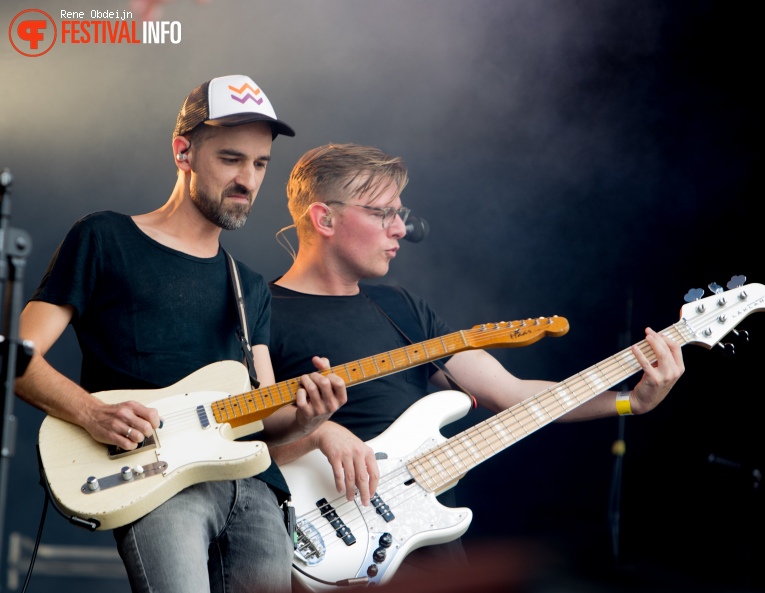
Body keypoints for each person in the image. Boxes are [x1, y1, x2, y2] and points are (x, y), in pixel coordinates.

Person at [265, 143, 685, 585]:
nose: (400, 230)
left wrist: (628, 402)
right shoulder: (260, 311)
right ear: (324, 218)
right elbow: (238, 445)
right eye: (381, 213)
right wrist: (319, 433)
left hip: (422, 541)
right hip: (314, 544)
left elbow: (513, 393)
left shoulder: (403, 307)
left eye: (400, 214)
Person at [14, 76, 347, 593]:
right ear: (184, 152)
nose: (249, 180)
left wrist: (311, 414)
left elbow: (265, 416)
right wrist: (90, 411)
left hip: (256, 489)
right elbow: (17, 359)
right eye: (232, 159)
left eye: (261, 164)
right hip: (160, 483)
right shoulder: (105, 238)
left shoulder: (248, 287)